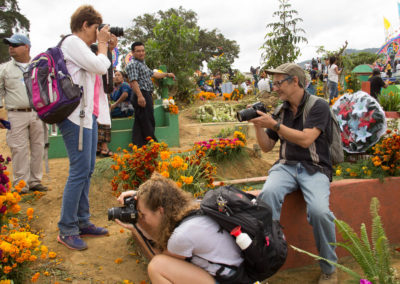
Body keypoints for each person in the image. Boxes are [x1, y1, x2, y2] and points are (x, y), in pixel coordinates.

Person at [250, 63, 338, 284]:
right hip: (286, 166)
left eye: (279, 83)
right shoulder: (281, 110)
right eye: (274, 83)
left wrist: (276, 126)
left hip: (315, 168)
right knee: (267, 197)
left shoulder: (319, 106)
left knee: (319, 212)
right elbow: (267, 147)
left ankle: (329, 269)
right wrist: (258, 125)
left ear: (295, 81)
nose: (275, 88)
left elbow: (307, 139)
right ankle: (266, 265)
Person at [115, 173, 244, 284]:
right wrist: (141, 197)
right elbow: (157, 197)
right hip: (238, 272)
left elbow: (159, 259)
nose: (140, 217)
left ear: (160, 211)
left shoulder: (182, 235)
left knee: (157, 266)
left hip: (231, 280)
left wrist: (136, 229)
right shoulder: (192, 208)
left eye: (142, 214)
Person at [56, 5, 112, 250]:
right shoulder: (72, 43)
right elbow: (101, 66)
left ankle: (82, 220)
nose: (97, 33)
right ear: (85, 25)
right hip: (73, 118)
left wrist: (106, 47)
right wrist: (102, 46)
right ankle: (67, 229)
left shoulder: (83, 49)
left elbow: (102, 72)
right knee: (79, 171)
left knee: (87, 169)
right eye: (95, 28)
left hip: (86, 117)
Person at [0, 34, 48, 193]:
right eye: (9, 44)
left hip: (37, 112)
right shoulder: (4, 68)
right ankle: (21, 185)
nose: (11, 47)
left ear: (26, 47)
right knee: (18, 149)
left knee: (38, 147)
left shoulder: (38, 66)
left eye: (15, 44)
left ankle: (35, 181)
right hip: (15, 113)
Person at [125, 42, 175, 147]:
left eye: (143, 50)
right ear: (133, 52)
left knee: (140, 121)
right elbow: (133, 81)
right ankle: (152, 144)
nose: (141, 53)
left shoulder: (142, 63)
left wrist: (166, 74)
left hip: (145, 93)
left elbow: (153, 74)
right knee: (148, 120)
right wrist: (140, 96)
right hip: (140, 93)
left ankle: (139, 145)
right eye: (138, 51)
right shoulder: (133, 64)